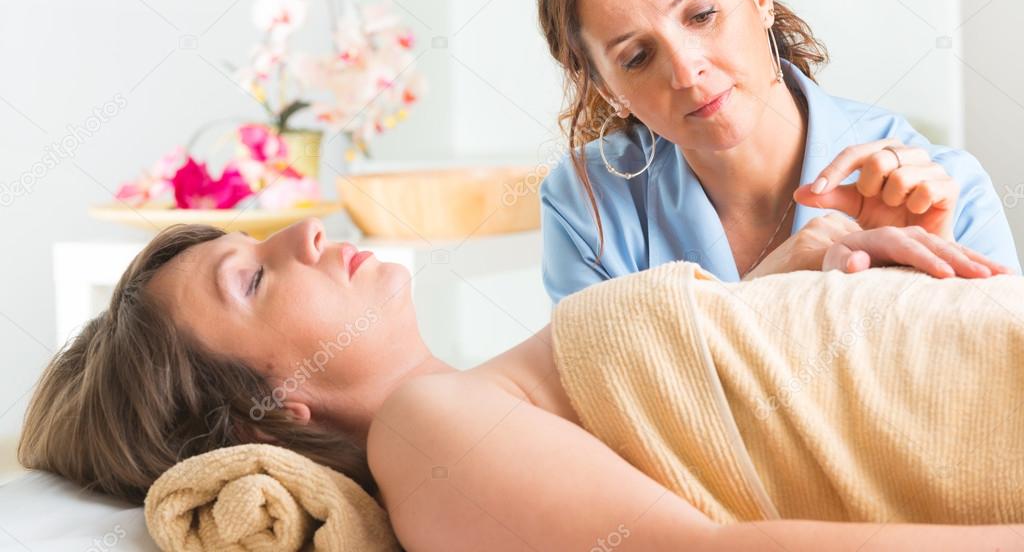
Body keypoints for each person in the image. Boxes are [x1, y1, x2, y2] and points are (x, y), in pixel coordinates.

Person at [19, 218, 1022, 552]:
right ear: (275, 407)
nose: (307, 231)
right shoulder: (424, 435)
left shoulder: (489, 400)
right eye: (254, 278)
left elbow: (695, 424)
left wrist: (799, 272)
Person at [532, 0, 1020, 303]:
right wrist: (777, 280)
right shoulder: (586, 206)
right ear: (606, 88)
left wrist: (914, 291)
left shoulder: (943, 190)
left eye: (702, 16)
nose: (685, 72)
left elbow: (991, 396)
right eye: (637, 57)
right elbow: (601, 400)